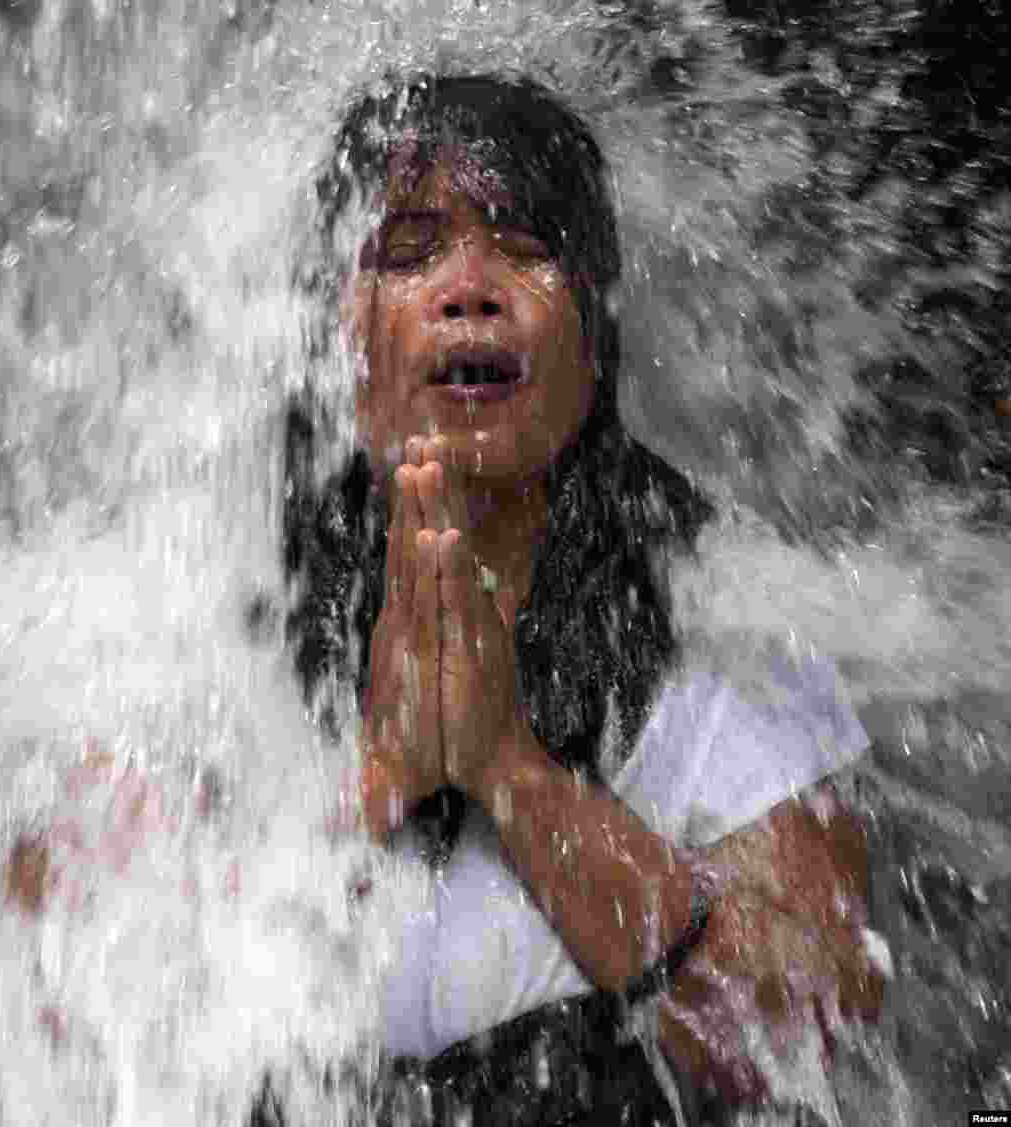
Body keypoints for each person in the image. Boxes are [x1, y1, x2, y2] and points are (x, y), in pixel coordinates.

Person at [278, 71, 885, 1127]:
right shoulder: (210, 590)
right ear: (343, 333)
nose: (471, 286)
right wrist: (384, 775)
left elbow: (812, 1028)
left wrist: (507, 768)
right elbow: (81, 986)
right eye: (411, 248)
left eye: (525, 245)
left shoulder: (718, 607)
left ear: (592, 333)